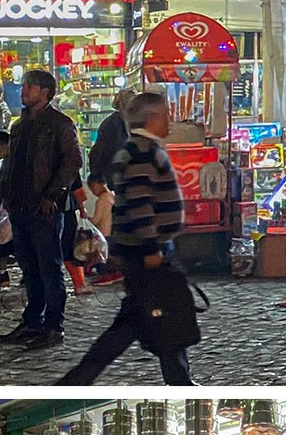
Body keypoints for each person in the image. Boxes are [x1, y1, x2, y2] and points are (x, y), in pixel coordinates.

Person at [61, 90, 195, 386]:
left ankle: (179, 379)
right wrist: (151, 248)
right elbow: (139, 203)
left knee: (155, 318)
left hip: (151, 248)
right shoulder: (140, 153)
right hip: (148, 250)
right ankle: (79, 380)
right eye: (165, 114)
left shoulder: (144, 149)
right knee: (147, 319)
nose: (170, 119)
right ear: (151, 118)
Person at [0, 68, 84, 350]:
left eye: (29, 87)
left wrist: (53, 195)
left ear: (44, 92)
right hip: (20, 205)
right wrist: (6, 196)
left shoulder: (59, 124)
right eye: (24, 86)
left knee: (49, 268)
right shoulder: (20, 126)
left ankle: (53, 326)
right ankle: (32, 320)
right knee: (28, 267)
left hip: (43, 208)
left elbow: (72, 162)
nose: (23, 91)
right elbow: (12, 163)